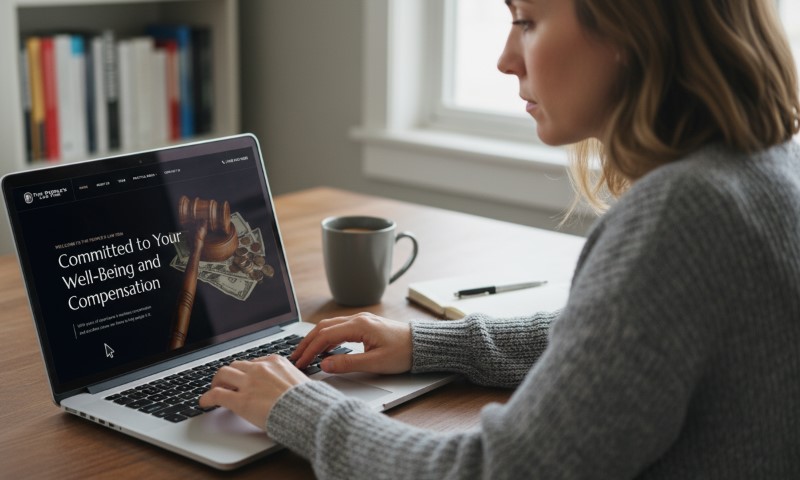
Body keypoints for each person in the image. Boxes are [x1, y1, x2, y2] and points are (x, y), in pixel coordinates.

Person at [200, 0, 800, 477]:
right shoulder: (768, 166)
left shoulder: (681, 216)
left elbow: (496, 471)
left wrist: (298, 408)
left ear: (632, 25)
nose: (506, 59)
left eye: (527, 20)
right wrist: (428, 344)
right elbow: (617, 348)